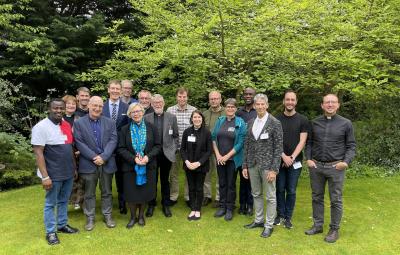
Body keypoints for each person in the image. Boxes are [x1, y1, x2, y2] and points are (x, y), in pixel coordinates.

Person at [305, 94, 356, 243]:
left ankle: (334, 229)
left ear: (338, 105)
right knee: (316, 197)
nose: (330, 105)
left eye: (333, 102)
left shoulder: (346, 123)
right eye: (327, 102)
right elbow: (309, 143)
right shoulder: (314, 122)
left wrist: (345, 162)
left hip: (336, 167)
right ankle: (318, 225)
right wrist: (308, 158)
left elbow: (351, 146)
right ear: (322, 105)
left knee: (336, 200)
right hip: (316, 166)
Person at [31, 98, 79, 245]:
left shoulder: (65, 124)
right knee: (50, 203)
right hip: (53, 173)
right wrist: (45, 177)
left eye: (61, 108)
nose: (58, 111)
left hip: (68, 171)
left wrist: (74, 168)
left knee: (64, 200)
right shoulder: (41, 127)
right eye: (55, 108)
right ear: (49, 109)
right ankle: (51, 232)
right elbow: (38, 153)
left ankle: (62, 224)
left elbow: (69, 148)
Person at [73, 96, 118, 231]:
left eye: (100, 106)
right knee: (89, 193)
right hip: (88, 163)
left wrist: (103, 157)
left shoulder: (110, 122)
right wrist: (94, 157)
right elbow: (79, 142)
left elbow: (113, 140)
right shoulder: (79, 123)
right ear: (89, 106)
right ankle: (90, 217)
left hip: (106, 162)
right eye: (95, 105)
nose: (97, 108)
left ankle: (107, 215)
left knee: (107, 191)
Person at [242, 93, 283, 238]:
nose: (260, 106)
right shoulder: (250, 123)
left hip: (267, 166)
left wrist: (274, 169)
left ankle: (269, 225)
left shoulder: (275, 123)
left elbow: (278, 148)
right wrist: (245, 165)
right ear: (254, 106)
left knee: (270, 197)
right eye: (257, 104)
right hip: (252, 164)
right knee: (256, 194)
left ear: (267, 105)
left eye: (262, 104)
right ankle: (258, 220)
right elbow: (246, 145)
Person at [117, 103, 161, 228]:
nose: (136, 114)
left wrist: (148, 157)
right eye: (133, 112)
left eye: (138, 111)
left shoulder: (151, 128)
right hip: (130, 167)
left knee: (143, 192)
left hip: (148, 165)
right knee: (131, 194)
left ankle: (141, 216)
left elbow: (158, 146)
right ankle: (132, 217)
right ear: (130, 115)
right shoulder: (124, 129)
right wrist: (134, 159)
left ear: (143, 112)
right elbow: (121, 148)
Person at [274, 90, 309, 229]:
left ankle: (288, 217)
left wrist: (292, 157)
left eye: (292, 100)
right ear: (284, 101)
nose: (290, 102)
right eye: (287, 99)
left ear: (296, 102)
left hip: (296, 161)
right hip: (279, 160)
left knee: (292, 190)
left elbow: (302, 141)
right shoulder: (276, 119)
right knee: (280, 188)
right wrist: (283, 156)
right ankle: (279, 214)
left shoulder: (303, 120)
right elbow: (275, 141)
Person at [144, 94, 179, 217]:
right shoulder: (146, 117)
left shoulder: (171, 117)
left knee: (165, 180)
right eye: (155, 102)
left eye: (160, 102)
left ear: (164, 103)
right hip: (152, 154)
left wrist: (174, 149)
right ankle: (151, 204)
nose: (158, 104)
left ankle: (166, 205)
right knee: (152, 180)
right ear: (151, 104)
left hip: (166, 154)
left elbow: (175, 136)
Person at [212, 98, 246, 221]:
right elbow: (214, 138)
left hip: (232, 160)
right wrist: (218, 155)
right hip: (220, 159)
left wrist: (227, 156)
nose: (230, 109)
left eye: (232, 107)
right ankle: (222, 206)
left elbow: (241, 142)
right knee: (222, 183)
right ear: (225, 108)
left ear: (236, 109)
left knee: (231, 184)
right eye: (228, 107)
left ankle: (230, 208)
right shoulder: (220, 121)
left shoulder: (240, 122)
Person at [102, 80, 129, 214]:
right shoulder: (101, 106)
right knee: (106, 178)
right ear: (108, 90)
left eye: (117, 89)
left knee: (121, 177)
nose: (115, 91)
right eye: (112, 88)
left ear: (121, 91)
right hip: (105, 148)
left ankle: (122, 203)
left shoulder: (126, 107)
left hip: (121, 148)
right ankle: (106, 204)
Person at [166, 87, 197, 205]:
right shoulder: (170, 110)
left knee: (189, 172)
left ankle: (188, 197)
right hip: (174, 148)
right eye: (180, 96)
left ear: (187, 97)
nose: (182, 99)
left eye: (184, 96)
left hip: (189, 148)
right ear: (176, 97)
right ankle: (173, 196)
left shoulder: (194, 110)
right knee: (173, 173)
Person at [181, 110, 212, 220]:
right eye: (195, 117)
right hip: (189, 165)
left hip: (201, 166)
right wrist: (187, 162)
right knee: (191, 187)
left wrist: (198, 163)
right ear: (192, 119)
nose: (197, 119)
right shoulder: (187, 132)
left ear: (202, 119)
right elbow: (182, 149)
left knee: (199, 187)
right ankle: (193, 209)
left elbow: (209, 151)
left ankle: (198, 209)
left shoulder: (207, 133)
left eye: (199, 117)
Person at [236, 87, 257, 216]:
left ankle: (250, 205)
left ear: (254, 96)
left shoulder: (258, 111)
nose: (248, 96)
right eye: (246, 94)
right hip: (240, 151)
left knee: (251, 180)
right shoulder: (238, 113)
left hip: (254, 151)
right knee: (242, 179)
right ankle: (242, 204)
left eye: (250, 94)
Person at [202, 91, 224, 207]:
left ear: (220, 99)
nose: (214, 101)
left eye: (216, 98)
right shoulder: (204, 114)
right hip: (207, 149)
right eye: (211, 99)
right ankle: (207, 195)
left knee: (220, 173)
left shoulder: (226, 113)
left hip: (221, 150)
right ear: (209, 100)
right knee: (207, 173)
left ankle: (219, 197)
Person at [62, 95, 84, 210]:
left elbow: (84, 136)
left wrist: (81, 149)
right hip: (63, 154)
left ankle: (78, 200)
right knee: (67, 178)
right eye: (68, 104)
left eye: (73, 104)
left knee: (79, 178)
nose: (71, 106)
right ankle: (65, 202)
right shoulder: (59, 119)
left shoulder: (79, 118)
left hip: (78, 152)